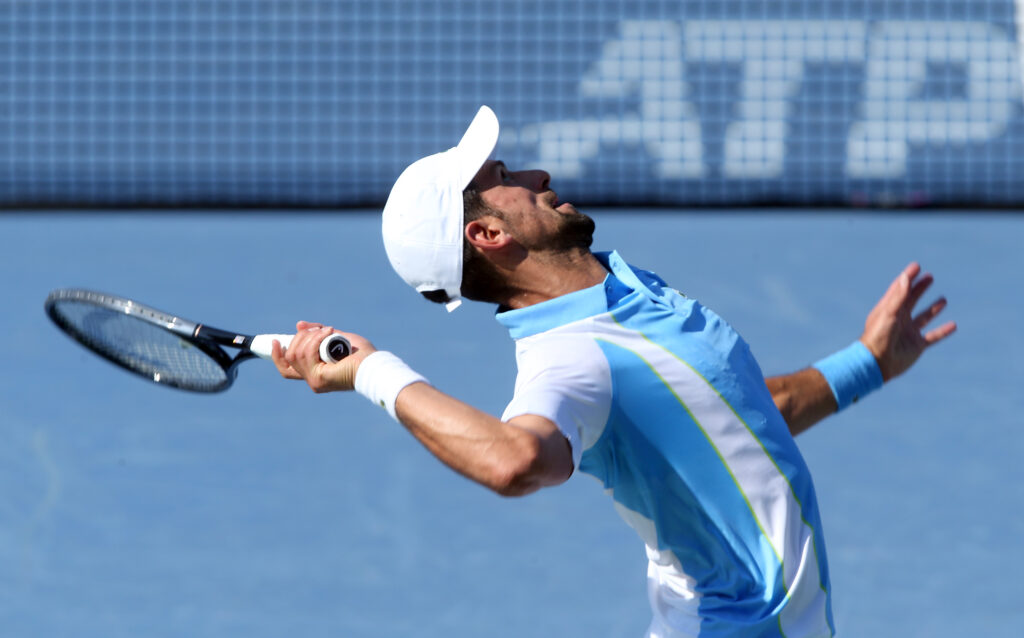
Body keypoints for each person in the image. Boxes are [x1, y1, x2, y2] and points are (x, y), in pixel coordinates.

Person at [270, 106, 956, 637]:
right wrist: (371, 372)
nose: (536, 178)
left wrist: (865, 364)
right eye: (504, 180)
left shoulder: (631, 293)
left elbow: (734, 414)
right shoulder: (569, 357)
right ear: (487, 235)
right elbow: (513, 459)